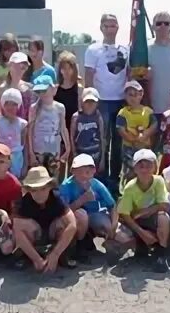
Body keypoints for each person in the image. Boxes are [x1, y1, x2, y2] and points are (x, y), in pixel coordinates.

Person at [83, 13, 129, 189]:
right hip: (100, 100)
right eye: (107, 26)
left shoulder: (125, 49)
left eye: (114, 25)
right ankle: (100, 178)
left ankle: (115, 178)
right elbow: (88, 75)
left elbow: (129, 72)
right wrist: (88, 99)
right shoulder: (93, 50)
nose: (111, 29)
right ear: (101, 28)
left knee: (118, 142)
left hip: (120, 100)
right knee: (102, 140)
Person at [114, 149, 170, 272]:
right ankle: (141, 247)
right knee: (119, 235)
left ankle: (161, 254)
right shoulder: (130, 187)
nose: (144, 170)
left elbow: (165, 206)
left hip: (152, 219)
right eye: (141, 166)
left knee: (164, 217)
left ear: (155, 167)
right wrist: (142, 233)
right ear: (135, 169)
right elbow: (125, 215)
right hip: (136, 222)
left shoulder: (159, 181)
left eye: (149, 166)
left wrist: (148, 211)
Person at [15, 166, 78, 271]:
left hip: (52, 233)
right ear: (29, 190)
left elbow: (73, 224)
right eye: (34, 190)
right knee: (22, 225)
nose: (39, 194)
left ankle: (62, 255)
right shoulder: (23, 203)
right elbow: (17, 232)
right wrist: (36, 259)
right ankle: (28, 257)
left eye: (43, 188)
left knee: (64, 223)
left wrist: (55, 254)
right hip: (35, 235)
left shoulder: (57, 198)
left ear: (50, 186)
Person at [59, 154, 117, 261]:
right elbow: (62, 212)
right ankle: (78, 247)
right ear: (73, 171)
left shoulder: (96, 184)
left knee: (107, 226)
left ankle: (90, 237)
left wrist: (113, 226)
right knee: (82, 215)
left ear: (94, 171)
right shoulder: (66, 186)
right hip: (74, 218)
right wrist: (82, 200)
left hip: (93, 215)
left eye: (88, 172)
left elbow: (112, 205)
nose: (84, 175)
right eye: (80, 172)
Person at [116, 80, 158, 186]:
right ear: (125, 96)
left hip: (145, 146)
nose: (133, 98)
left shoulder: (148, 111)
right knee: (131, 171)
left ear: (141, 95)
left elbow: (154, 125)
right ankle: (129, 190)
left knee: (146, 170)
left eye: (136, 95)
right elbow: (121, 129)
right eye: (130, 95)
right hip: (129, 148)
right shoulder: (123, 113)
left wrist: (145, 135)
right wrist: (133, 139)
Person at [28, 74, 70, 175]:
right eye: (39, 91)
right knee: (39, 180)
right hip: (38, 150)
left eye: (44, 90)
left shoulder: (60, 107)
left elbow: (63, 128)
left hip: (54, 150)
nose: (42, 94)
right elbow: (30, 130)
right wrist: (31, 153)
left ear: (52, 89)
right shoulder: (34, 108)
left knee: (53, 180)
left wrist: (68, 148)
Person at [0, 88, 29, 178]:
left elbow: (25, 146)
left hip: (17, 158)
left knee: (15, 182)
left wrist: (25, 165)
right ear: (3, 105)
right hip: (0, 157)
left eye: (14, 104)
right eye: (7, 103)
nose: (10, 107)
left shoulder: (22, 124)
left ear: (18, 106)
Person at [70, 87, 105, 173]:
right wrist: (73, 153)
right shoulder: (76, 117)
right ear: (82, 102)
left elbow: (102, 137)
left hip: (95, 154)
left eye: (93, 102)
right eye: (87, 102)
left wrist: (103, 159)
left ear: (97, 103)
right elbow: (71, 137)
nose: (90, 105)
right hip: (80, 154)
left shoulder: (98, 117)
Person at [0, 51, 35, 120]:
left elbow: (32, 114)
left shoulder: (30, 88)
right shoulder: (1, 89)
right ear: (10, 65)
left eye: (24, 66)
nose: (21, 68)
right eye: (18, 65)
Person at [55, 51, 83, 133]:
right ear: (60, 70)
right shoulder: (55, 89)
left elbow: (81, 111)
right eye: (64, 68)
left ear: (74, 69)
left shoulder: (79, 88)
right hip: (59, 129)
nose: (67, 71)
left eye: (69, 68)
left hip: (75, 128)